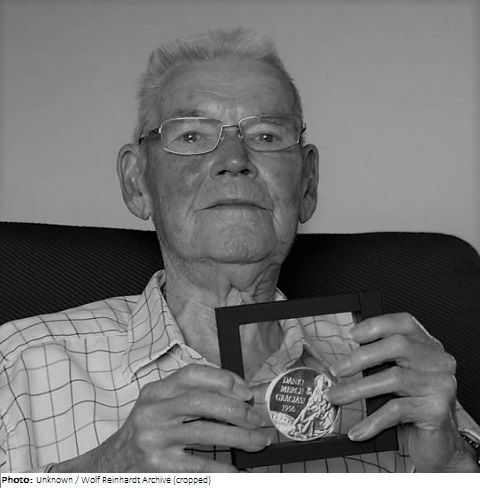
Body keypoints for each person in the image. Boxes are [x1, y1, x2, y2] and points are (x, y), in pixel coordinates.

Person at [1, 27, 479, 473]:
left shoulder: (393, 361)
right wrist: (100, 471)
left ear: (308, 184)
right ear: (136, 183)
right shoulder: (21, 365)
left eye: (266, 136)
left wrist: (454, 463)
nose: (234, 161)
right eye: (191, 136)